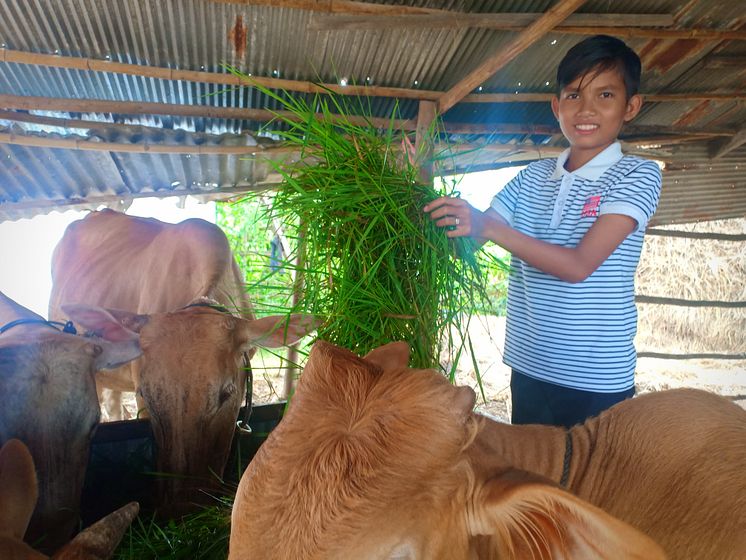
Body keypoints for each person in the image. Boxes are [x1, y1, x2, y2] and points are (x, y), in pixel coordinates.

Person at [424, 35, 662, 428]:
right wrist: (420, 203)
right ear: (557, 107)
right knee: (533, 479)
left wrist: (484, 225)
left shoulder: (637, 175)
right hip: (530, 365)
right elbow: (475, 235)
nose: (586, 110)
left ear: (630, 106)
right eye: (573, 96)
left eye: (604, 95)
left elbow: (578, 266)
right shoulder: (531, 177)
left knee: (586, 485)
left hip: (595, 377)